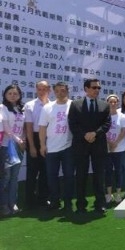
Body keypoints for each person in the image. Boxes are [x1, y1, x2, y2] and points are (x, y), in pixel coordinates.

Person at [68, 78, 111, 214]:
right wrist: (85, 135)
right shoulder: (76, 104)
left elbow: (106, 124)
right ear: (86, 89)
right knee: (81, 175)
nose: (97, 90)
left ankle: (100, 204)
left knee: (99, 175)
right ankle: (81, 204)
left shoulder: (105, 105)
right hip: (81, 144)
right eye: (94, 87)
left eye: (99, 88)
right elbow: (72, 124)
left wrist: (95, 133)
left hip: (98, 145)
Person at [38, 82, 74, 212]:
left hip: (68, 147)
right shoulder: (47, 107)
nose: (60, 93)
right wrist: (42, 145)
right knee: (51, 176)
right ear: (53, 92)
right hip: (51, 148)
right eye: (57, 91)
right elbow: (42, 128)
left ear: (67, 91)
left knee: (69, 176)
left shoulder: (73, 105)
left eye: (63, 90)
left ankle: (68, 202)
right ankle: (55, 201)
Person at [24, 80, 51, 209]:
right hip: (34, 138)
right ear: (36, 90)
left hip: (49, 139)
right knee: (32, 172)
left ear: (49, 90)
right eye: (39, 89)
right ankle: (29, 201)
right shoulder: (29, 105)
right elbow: (28, 127)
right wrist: (33, 146)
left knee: (45, 171)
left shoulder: (53, 105)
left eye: (44, 89)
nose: (41, 92)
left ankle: (43, 199)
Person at [0, 84, 26, 215]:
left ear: (19, 95)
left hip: (19, 147)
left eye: (15, 93)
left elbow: (25, 128)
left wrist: (23, 141)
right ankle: (3, 205)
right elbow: (6, 129)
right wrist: (19, 141)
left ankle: (13, 203)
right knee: (6, 177)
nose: (12, 95)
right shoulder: (2, 108)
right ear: (5, 94)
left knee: (15, 177)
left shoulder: (21, 109)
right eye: (9, 93)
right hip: (7, 146)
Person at [105, 94, 125, 203]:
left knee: (119, 171)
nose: (113, 104)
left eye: (115, 102)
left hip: (119, 149)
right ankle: (109, 194)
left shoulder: (122, 116)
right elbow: (102, 131)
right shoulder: (104, 116)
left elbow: (124, 131)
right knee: (108, 171)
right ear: (107, 103)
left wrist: (115, 143)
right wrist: (109, 143)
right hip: (107, 148)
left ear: (118, 103)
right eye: (111, 102)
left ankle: (118, 194)